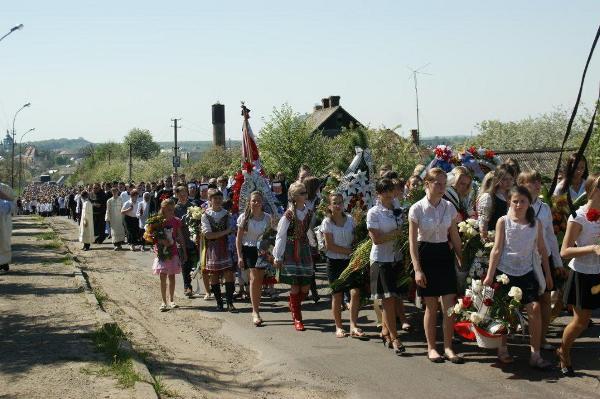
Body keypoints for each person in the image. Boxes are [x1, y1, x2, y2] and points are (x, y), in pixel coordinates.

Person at [484, 185, 553, 369]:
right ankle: (503, 348)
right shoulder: (503, 221)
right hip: (505, 272)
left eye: (523, 201)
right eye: (515, 201)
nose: (519, 205)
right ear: (509, 201)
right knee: (504, 312)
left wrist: (547, 274)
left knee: (535, 308)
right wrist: (490, 276)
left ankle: (535, 354)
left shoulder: (535, 223)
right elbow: (496, 250)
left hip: (527, 272)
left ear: (529, 202)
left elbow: (542, 249)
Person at [409, 168, 464, 364]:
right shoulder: (416, 209)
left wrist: (461, 258)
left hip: (444, 255)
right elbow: (413, 243)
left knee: (449, 307)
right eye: (437, 184)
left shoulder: (449, 207)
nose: (442, 188)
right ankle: (432, 347)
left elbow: (455, 236)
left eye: (444, 184)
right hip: (426, 255)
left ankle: (448, 347)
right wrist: (417, 269)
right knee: (431, 307)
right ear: (427, 184)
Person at [557, 173, 600, 377]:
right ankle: (564, 352)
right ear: (593, 190)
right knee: (581, 322)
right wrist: (592, 248)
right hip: (584, 274)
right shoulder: (579, 216)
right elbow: (564, 251)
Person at [518, 171, 566, 350]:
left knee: (545, 299)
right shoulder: (517, 205)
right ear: (522, 184)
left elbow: (551, 237)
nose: (537, 185)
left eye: (538, 182)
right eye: (532, 182)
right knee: (526, 301)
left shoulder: (545, 208)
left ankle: (541, 338)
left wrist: (558, 262)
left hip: (544, 259)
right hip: (523, 260)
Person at [367, 178, 405, 355]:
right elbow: (376, 239)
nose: (390, 196)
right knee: (388, 299)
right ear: (379, 194)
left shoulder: (398, 210)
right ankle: (396, 338)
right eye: (386, 193)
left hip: (396, 257)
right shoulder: (374, 213)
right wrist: (395, 234)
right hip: (381, 259)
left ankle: (385, 331)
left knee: (394, 298)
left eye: (392, 192)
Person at [322, 193, 365, 338]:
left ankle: (353, 325)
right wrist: (350, 251)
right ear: (330, 206)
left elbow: (355, 238)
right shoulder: (327, 222)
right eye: (335, 202)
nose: (338, 205)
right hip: (334, 262)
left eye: (340, 202)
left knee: (355, 292)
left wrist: (357, 249)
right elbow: (330, 246)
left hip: (351, 262)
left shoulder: (351, 220)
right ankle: (339, 326)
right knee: (337, 295)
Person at [273, 182, 314, 331]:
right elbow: (280, 235)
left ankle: (293, 304)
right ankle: (297, 318)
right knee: (295, 285)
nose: (305, 195)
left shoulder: (309, 212)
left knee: (305, 287)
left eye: (305, 192)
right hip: (291, 250)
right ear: (294, 197)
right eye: (302, 193)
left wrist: (315, 243)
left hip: (304, 249)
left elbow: (309, 230)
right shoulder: (289, 214)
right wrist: (278, 256)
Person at [236, 191, 272, 326]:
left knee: (259, 280)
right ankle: (255, 311)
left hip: (262, 250)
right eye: (253, 200)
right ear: (249, 202)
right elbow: (238, 239)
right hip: (249, 249)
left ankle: (256, 308)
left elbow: (270, 237)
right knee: (254, 277)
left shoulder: (267, 218)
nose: (256, 203)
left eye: (258, 201)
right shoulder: (244, 218)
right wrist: (239, 256)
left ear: (262, 202)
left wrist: (270, 253)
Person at [201, 188, 236, 312]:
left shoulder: (227, 214)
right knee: (214, 275)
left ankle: (230, 303)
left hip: (226, 246)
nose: (217, 200)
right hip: (213, 247)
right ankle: (219, 302)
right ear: (210, 200)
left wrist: (224, 234)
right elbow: (208, 235)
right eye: (215, 198)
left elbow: (233, 231)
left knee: (229, 274)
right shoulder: (205, 215)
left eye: (220, 198)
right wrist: (226, 231)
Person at [151, 199, 187, 311]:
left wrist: (184, 251)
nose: (171, 212)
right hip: (161, 252)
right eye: (168, 210)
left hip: (173, 251)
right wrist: (161, 242)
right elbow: (152, 236)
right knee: (162, 276)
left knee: (171, 276)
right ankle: (163, 301)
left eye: (172, 210)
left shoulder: (176, 221)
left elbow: (180, 237)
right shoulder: (157, 221)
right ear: (163, 209)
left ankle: (171, 300)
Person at [477, 164, 514, 241]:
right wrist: (486, 240)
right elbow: (483, 223)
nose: (508, 182)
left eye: (511, 179)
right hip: (493, 240)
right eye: (504, 179)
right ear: (497, 179)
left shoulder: (514, 197)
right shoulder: (488, 197)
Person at [174, 185, 196, 297]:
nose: (183, 197)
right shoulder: (174, 208)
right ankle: (187, 286)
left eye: (185, 194)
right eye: (181, 194)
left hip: (192, 239)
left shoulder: (193, 206)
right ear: (177, 195)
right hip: (180, 239)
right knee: (184, 263)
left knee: (193, 263)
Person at [0, 183, 15, 272]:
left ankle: (4, 262)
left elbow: (10, 207)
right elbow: (11, 206)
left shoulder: (5, 187)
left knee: (4, 241)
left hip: (4, 220)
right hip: (4, 219)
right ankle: (3, 262)